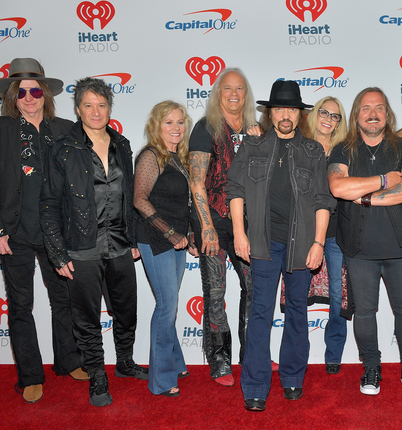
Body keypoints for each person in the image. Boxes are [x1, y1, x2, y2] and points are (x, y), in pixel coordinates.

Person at [0, 57, 86, 404]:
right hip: (14, 232)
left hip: (57, 233)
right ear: (11, 95)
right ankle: (30, 375)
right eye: (20, 91)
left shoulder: (67, 128)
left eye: (35, 90)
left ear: (46, 93)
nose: (29, 96)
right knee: (21, 305)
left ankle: (68, 360)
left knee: (64, 300)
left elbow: (80, 181)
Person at [227, 80, 335, 412]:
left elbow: (322, 201)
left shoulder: (313, 151)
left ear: (299, 114)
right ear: (270, 113)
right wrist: (238, 234)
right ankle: (256, 385)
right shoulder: (252, 147)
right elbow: (235, 190)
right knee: (259, 313)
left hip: (301, 246)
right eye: (279, 109)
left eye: (290, 109)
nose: (285, 115)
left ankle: (292, 378)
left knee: (297, 313)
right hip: (261, 243)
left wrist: (318, 242)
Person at [40, 77, 147, 407]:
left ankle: (125, 363)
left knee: (126, 311)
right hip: (80, 246)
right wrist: (58, 253)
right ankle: (98, 376)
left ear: (109, 108)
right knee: (87, 318)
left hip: (118, 243)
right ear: (77, 110)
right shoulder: (63, 149)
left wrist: (132, 238)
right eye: (88, 105)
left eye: (101, 104)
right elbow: (49, 204)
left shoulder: (123, 145)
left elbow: (130, 195)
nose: (96, 111)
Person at [328, 87, 402, 399]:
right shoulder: (342, 151)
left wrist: (362, 196)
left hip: (401, 246)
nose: (372, 113)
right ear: (356, 115)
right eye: (366, 108)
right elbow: (338, 186)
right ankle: (371, 367)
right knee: (364, 312)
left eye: (379, 107)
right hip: (358, 248)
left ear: (387, 114)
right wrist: (386, 180)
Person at [188, 68, 260, 386]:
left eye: (240, 89)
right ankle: (219, 360)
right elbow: (196, 180)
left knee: (254, 290)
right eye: (227, 88)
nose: (234, 93)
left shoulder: (255, 129)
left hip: (248, 225)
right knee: (216, 293)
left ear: (246, 95)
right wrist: (205, 227)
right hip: (214, 223)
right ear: (218, 93)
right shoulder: (206, 127)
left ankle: (252, 354)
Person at [134, 101, 200, 397]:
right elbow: (140, 200)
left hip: (176, 241)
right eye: (169, 123)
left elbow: (181, 205)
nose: (176, 128)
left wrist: (189, 235)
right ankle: (160, 379)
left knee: (169, 303)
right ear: (156, 127)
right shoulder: (151, 156)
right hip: (156, 239)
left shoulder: (179, 157)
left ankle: (175, 362)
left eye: (180, 122)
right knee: (167, 306)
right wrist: (172, 234)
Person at [302, 96, 349, 374]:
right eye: (324, 112)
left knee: (336, 295)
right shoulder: (299, 144)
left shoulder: (344, 151)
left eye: (335, 116)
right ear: (314, 114)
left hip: (335, 233)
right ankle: (298, 352)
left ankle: (334, 353)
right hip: (302, 230)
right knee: (297, 297)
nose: (328, 119)